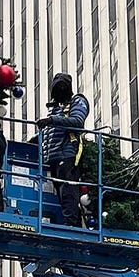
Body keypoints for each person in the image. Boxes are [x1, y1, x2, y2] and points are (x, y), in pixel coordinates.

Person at [37, 73, 90, 227]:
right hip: (53, 158)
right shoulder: (55, 109)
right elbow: (51, 133)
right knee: (62, 192)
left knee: (68, 191)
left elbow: (77, 121)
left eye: (62, 87)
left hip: (67, 155)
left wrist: (51, 120)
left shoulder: (77, 101)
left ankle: (71, 224)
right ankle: (72, 222)